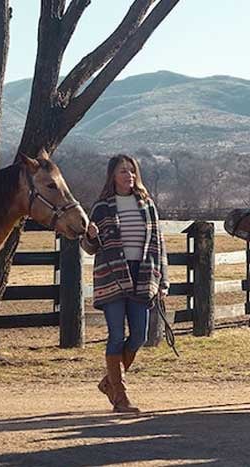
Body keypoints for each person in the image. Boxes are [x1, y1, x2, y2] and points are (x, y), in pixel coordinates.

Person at [81, 154, 170, 413]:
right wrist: (90, 236)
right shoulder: (101, 207)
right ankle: (120, 397)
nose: (128, 175)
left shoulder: (147, 205)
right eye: (123, 171)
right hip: (112, 276)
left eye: (131, 171)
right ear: (112, 176)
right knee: (117, 335)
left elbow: (159, 244)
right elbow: (89, 247)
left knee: (139, 335)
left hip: (143, 275)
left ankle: (110, 382)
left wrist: (163, 280)